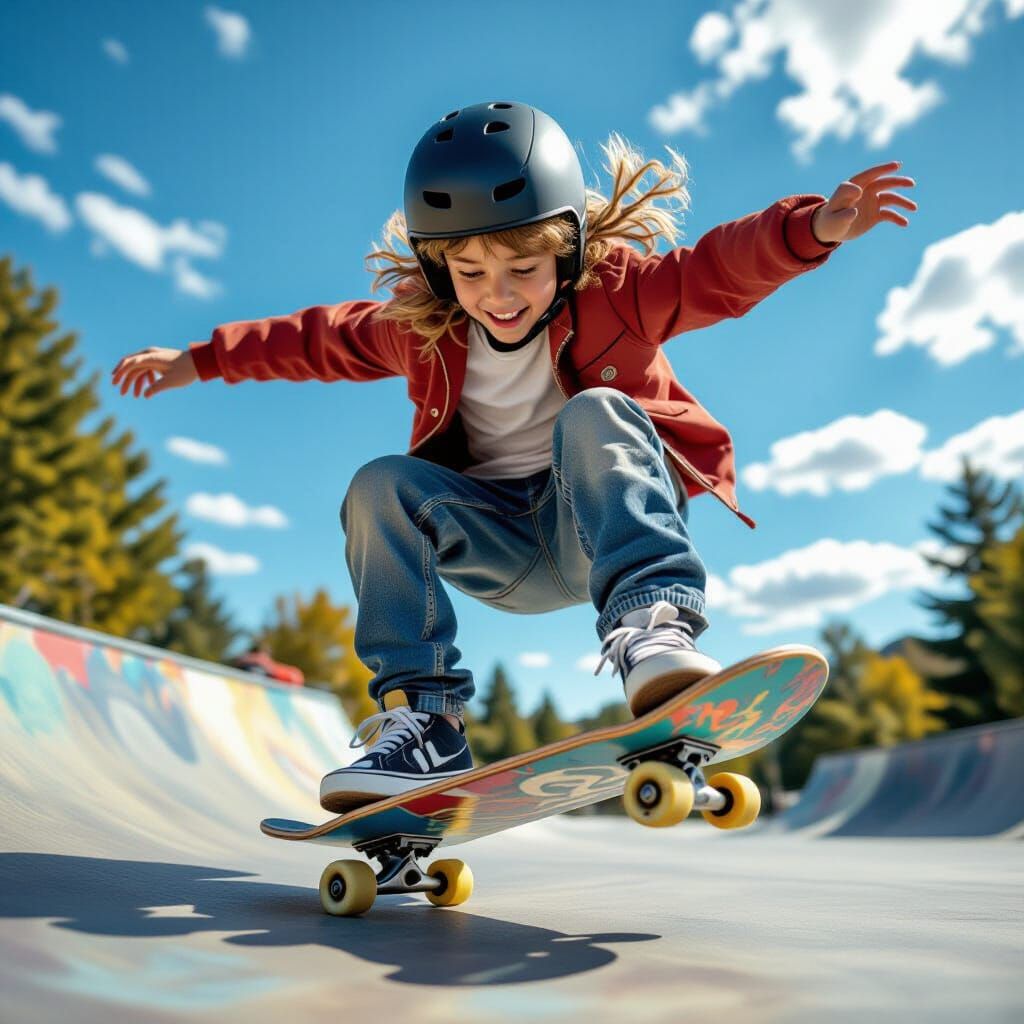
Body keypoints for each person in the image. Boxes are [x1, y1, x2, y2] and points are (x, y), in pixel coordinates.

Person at [111, 101, 915, 814]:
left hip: (595, 528)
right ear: (437, 268)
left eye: (524, 268)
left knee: (596, 413)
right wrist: (201, 358)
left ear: (566, 252)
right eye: (469, 272)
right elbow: (316, 339)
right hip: (500, 546)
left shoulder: (619, 295)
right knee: (377, 486)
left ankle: (652, 627)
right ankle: (424, 720)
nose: (498, 294)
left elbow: (709, 273)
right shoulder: (416, 327)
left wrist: (809, 231)